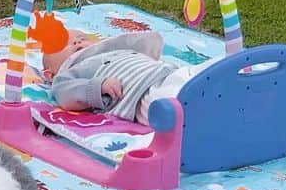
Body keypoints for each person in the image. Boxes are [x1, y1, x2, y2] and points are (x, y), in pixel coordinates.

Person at [43, 28, 196, 125]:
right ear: (50, 74)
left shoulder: (110, 52)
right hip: (139, 95)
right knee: (176, 101)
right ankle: (203, 113)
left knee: (193, 76)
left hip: (165, 72)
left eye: (82, 37)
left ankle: (213, 83)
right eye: (63, 43)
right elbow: (66, 93)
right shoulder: (67, 74)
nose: (77, 40)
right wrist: (99, 87)